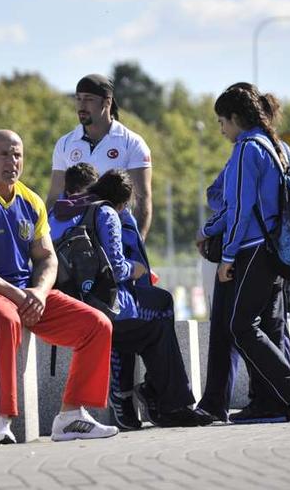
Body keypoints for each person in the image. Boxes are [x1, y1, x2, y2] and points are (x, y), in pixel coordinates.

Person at [0, 130, 118, 444]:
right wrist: (20, 295)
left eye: (17, 154)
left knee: (97, 324)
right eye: (3, 155)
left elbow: (47, 258)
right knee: (5, 321)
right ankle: (0, 421)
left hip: (26, 295)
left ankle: (71, 416)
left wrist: (38, 292)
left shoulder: (32, 200)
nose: (12, 161)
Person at [52, 166, 211, 428]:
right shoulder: (106, 212)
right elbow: (116, 269)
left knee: (153, 317)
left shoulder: (57, 212)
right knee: (156, 321)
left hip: (65, 304)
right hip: (101, 309)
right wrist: (135, 268)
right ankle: (159, 401)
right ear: (123, 202)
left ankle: (148, 396)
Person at [196, 90, 290, 423]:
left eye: (221, 121)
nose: (221, 129)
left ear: (236, 118)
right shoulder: (279, 147)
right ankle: (275, 401)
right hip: (277, 249)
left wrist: (223, 252)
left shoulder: (246, 149)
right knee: (270, 326)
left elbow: (238, 207)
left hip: (250, 249)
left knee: (240, 326)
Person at [46, 74, 153, 239]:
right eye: (78, 99)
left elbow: (142, 199)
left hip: (115, 237)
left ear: (107, 102)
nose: (81, 105)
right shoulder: (65, 143)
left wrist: (137, 244)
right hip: (73, 242)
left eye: (88, 99)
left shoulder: (132, 142)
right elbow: (54, 196)